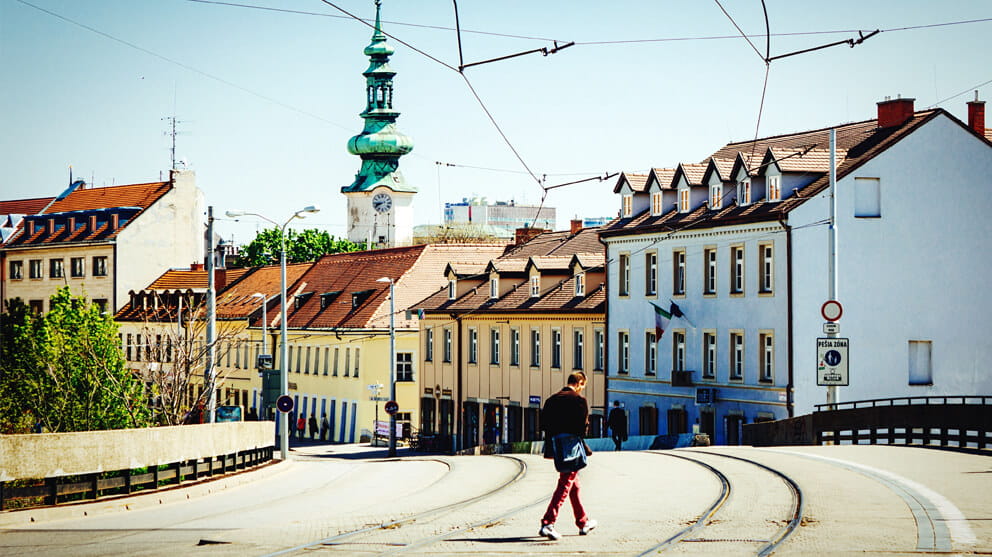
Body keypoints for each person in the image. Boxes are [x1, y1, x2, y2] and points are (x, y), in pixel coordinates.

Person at [539, 371, 597, 541]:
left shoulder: (551, 400)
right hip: (571, 445)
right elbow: (583, 428)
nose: (581, 390)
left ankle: (583, 522)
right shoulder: (579, 400)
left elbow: (544, 425)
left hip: (556, 443)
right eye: (582, 386)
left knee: (574, 484)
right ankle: (548, 522)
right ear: (579, 383)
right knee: (565, 483)